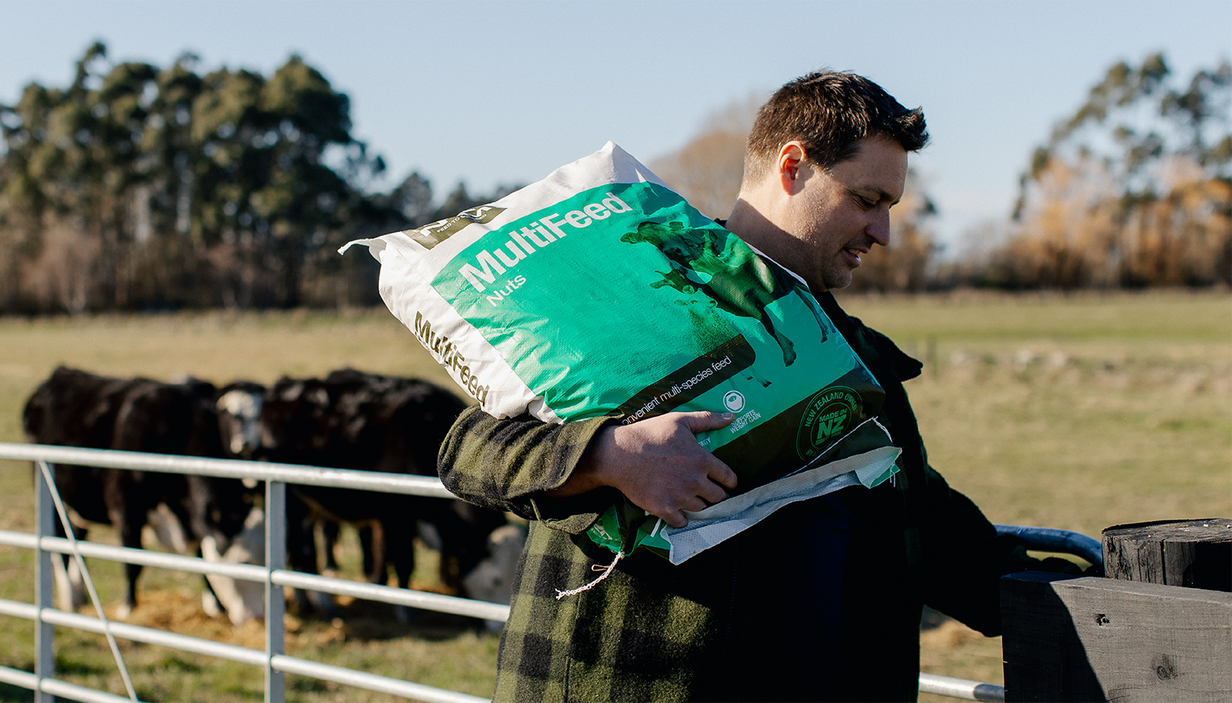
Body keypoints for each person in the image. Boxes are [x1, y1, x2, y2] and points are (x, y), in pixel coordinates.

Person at [437, 70, 1076, 702]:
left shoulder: (859, 361)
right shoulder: (636, 301)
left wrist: (1093, 596)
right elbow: (468, 451)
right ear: (792, 166)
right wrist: (608, 457)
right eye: (867, 200)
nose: (883, 233)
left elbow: (931, 532)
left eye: (889, 208)